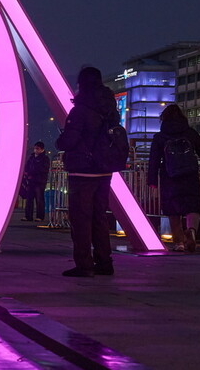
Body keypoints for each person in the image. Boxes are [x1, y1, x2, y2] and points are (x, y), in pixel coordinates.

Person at [55, 66, 118, 277]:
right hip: (104, 170)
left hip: (82, 171)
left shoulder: (80, 111)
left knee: (81, 218)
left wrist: (60, 139)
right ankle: (104, 261)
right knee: (99, 217)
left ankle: (84, 264)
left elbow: (68, 141)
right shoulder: (109, 108)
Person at [148, 104, 200, 253]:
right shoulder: (190, 133)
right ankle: (191, 231)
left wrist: (152, 180)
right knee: (192, 205)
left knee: (173, 209)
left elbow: (153, 159)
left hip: (169, 176)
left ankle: (179, 242)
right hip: (189, 175)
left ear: (163, 118)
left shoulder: (160, 137)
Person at [22, 142, 50, 222]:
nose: (35, 150)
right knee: (29, 199)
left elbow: (43, 169)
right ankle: (28, 216)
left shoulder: (45, 158)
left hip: (39, 181)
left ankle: (40, 216)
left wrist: (31, 173)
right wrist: (27, 173)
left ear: (42, 149)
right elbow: (27, 166)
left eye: (37, 148)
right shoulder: (31, 158)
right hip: (31, 181)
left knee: (39, 199)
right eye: (35, 148)